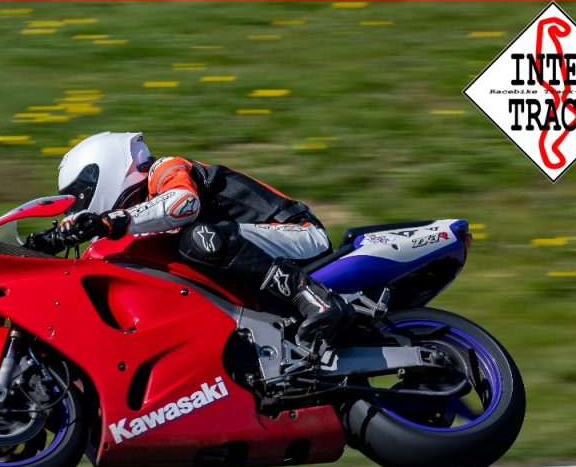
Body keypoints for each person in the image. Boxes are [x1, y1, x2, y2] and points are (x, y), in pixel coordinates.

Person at [26, 131, 353, 344]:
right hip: (256, 251)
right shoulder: (140, 215)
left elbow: (183, 204)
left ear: (105, 168)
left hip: (297, 234)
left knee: (199, 239)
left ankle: (313, 299)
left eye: (81, 193)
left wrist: (108, 221)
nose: (80, 204)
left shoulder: (165, 170)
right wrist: (51, 241)